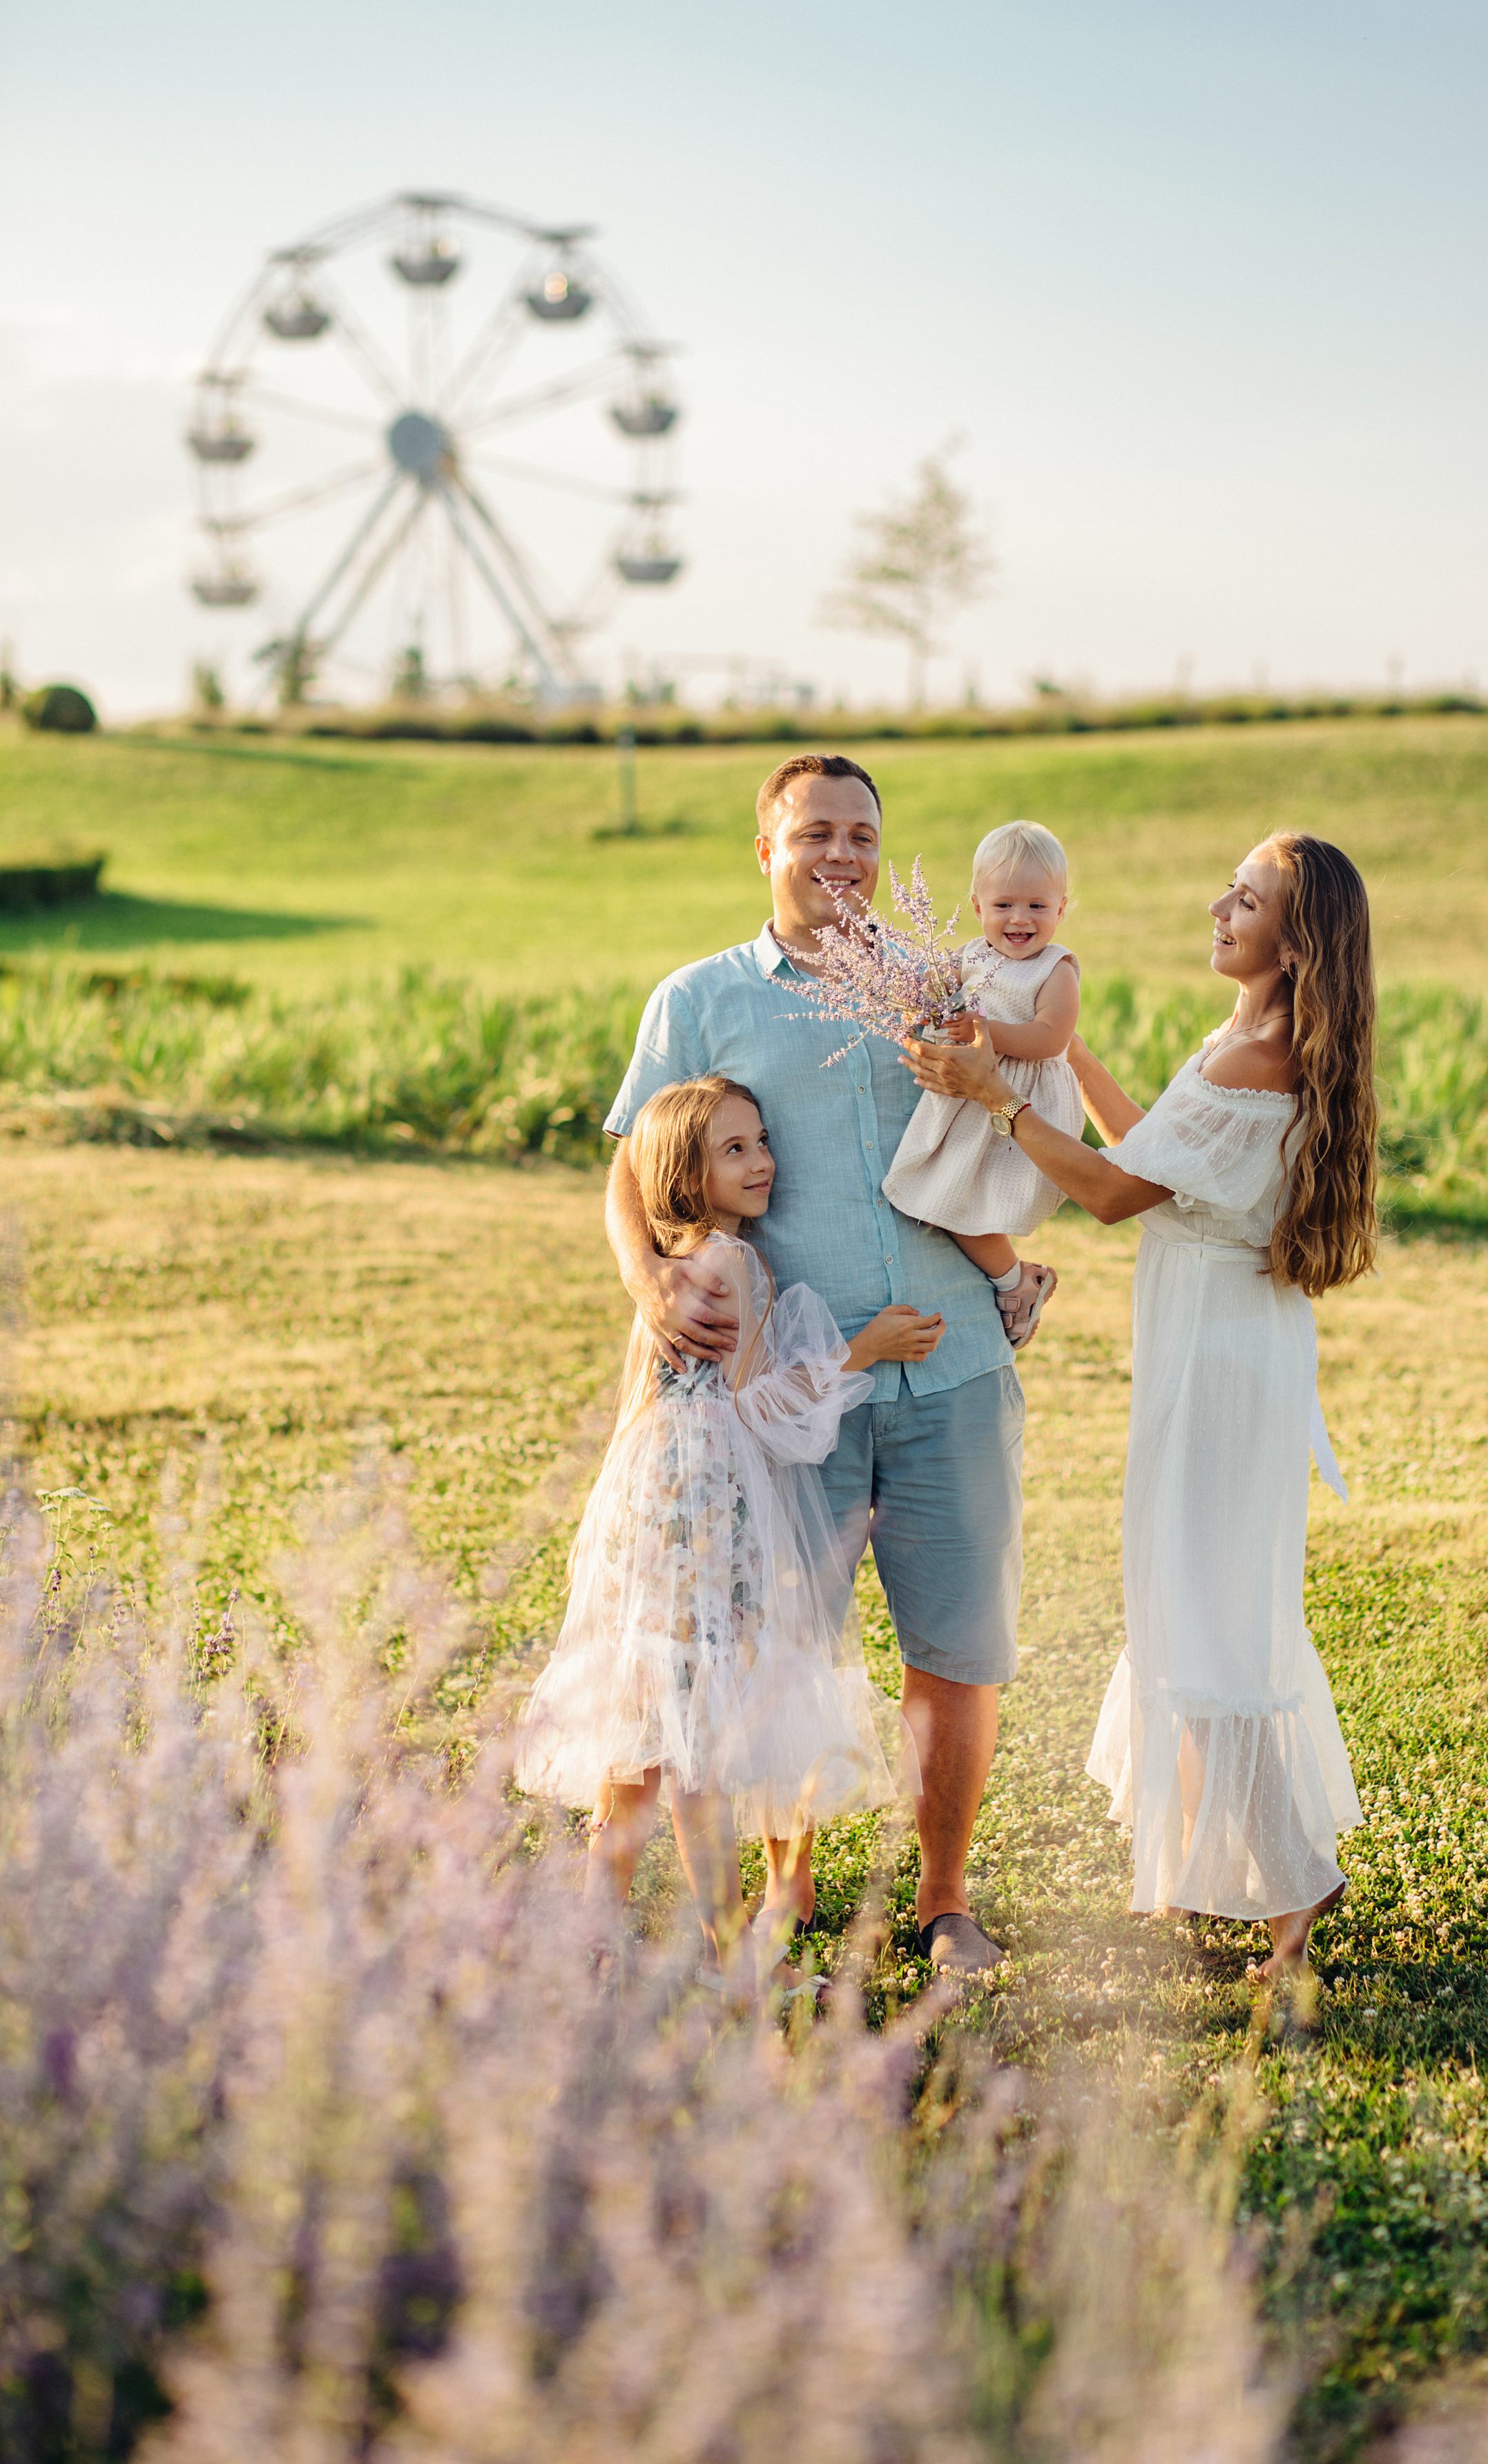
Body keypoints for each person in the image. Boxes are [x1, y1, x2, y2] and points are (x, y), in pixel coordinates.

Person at [599, 755, 1056, 1974]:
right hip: (789, 1394)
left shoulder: (938, 986)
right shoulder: (697, 1001)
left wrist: (1011, 1267)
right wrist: (650, 1283)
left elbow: (1001, 1120)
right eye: (817, 833)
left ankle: (944, 1899)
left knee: (956, 1646)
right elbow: (628, 1175)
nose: (844, 854)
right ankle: (787, 1889)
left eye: (864, 834)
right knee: (784, 1649)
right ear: (766, 849)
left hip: (952, 1365)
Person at [906, 829, 1378, 1981]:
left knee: (1214, 1606)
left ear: (1296, 938)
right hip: (1215, 1341)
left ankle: (1295, 1893)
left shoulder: (1256, 1059)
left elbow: (1116, 1191)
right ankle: (1214, 1867)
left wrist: (993, 1100)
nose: (1219, 908)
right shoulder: (1245, 1042)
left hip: (1220, 1357)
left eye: (1248, 900)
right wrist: (1049, 1063)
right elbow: (1146, 1143)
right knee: (1190, 1589)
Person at [515, 1076, 927, 1981]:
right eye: (734, 1149)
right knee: (699, 1730)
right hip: (706, 1514)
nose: (764, 1161)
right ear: (684, 1174)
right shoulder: (732, 1264)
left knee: (647, 1714)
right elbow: (763, 1407)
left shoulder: (671, 1274)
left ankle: (593, 1930)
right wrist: (865, 1350)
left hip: (648, 1503)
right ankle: (733, 1948)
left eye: (762, 1140)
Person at [882, 819, 1084, 1347]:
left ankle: (1014, 1284)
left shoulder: (1055, 968)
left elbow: (1051, 1038)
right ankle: (1018, 1281)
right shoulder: (971, 956)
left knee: (963, 1204)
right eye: (1004, 906)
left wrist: (987, 1032)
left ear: (1061, 909)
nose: (1020, 919)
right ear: (977, 907)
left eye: (1038, 907)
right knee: (946, 1198)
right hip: (967, 1100)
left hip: (1020, 1103)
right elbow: (933, 1000)